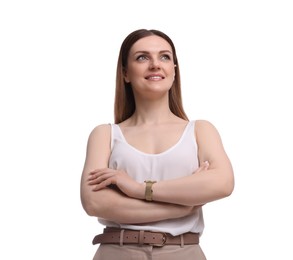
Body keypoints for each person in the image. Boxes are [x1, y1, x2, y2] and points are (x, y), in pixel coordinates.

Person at [80, 28, 234, 260]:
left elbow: (222, 183)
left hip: (184, 252)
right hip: (117, 251)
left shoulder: (201, 130)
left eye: (164, 56)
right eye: (142, 57)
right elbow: (94, 202)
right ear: (125, 73)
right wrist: (181, 206)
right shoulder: (104, 135)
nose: (155, 64)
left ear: (174, 69)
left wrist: (138, 189)